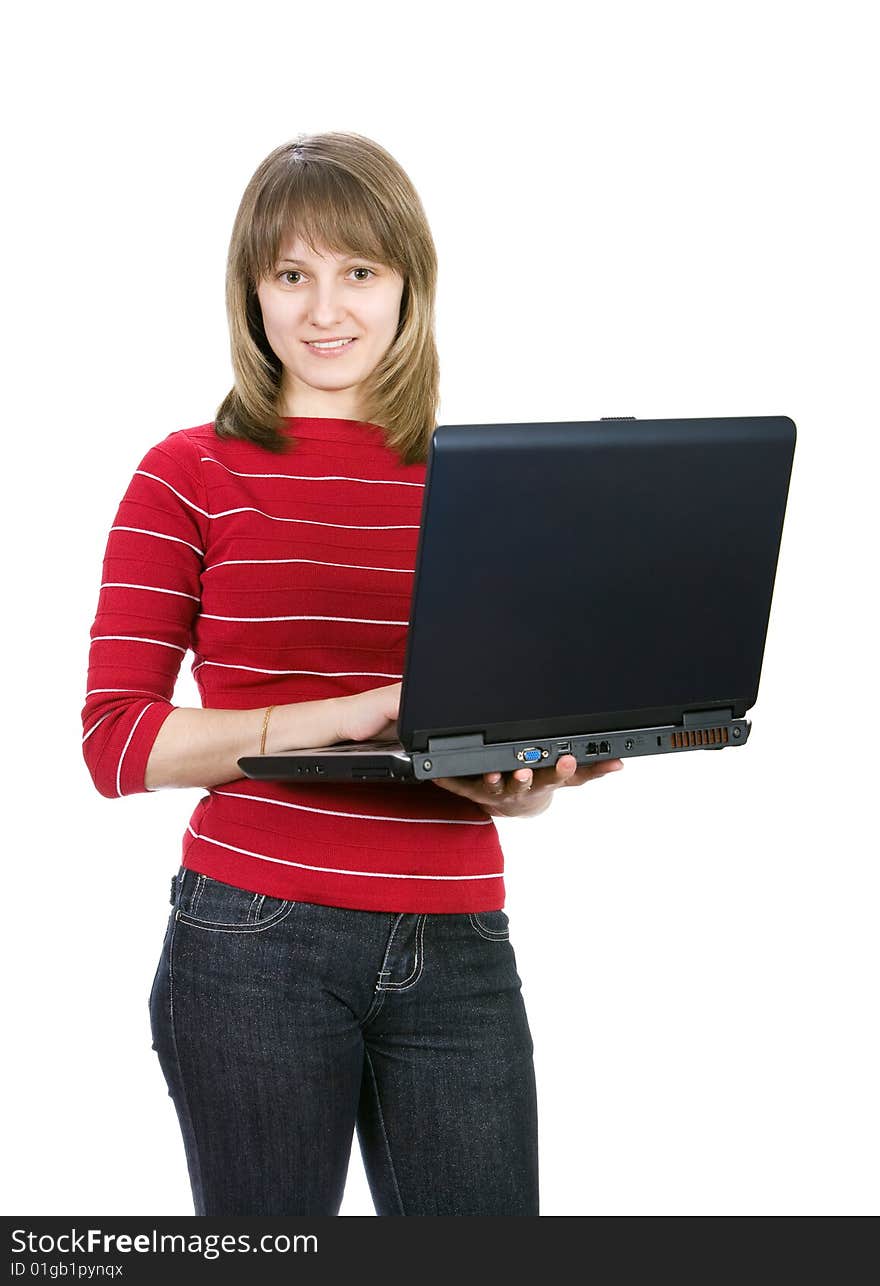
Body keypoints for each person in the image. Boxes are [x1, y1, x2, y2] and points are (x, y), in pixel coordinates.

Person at [80, 131, 624, 1217]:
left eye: (359, 272)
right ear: (252, 294)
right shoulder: (187, 471)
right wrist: (343, 714)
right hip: (254, 940)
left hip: (461, 935)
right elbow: (117, 743)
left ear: (409, 285)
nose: (326, 309)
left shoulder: (479, 485)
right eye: (292, 274)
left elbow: (482, 728)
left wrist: (528, 773)